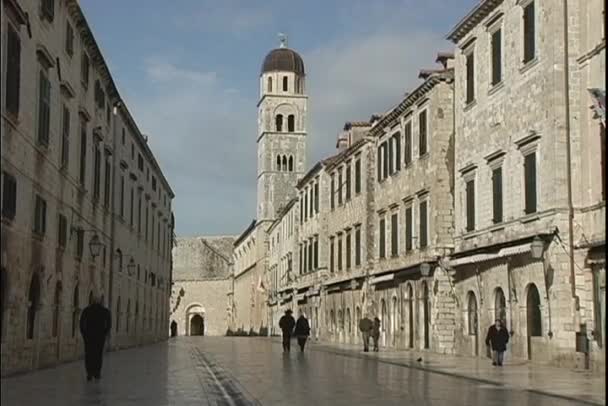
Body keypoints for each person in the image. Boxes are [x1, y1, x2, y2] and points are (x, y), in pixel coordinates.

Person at [79, 294, 111, 381]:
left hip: (89, 337)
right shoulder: (105, 311)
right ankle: (97, 373)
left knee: (89, 355)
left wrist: (84, 334)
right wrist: (104, 333)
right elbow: (109, 324)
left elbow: (81, 323)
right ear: (100, 301)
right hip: (100, 337)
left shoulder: (87, 310)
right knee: (98, 355)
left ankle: (89, 373)